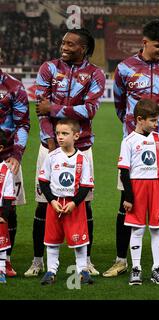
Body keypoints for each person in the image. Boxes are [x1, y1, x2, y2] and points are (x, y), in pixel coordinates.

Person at [104, 19, 159, 278]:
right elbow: (120, 104)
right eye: (158, 46)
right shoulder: (126, 68)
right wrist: (134, 131)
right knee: (125, 203)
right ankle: (121, 260)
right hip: (134, 147)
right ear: (144, 42)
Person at [25, 27, 105, 277]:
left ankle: (86, 261)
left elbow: (90, 110)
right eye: (63, 42)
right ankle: (38, 261)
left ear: (83, 48)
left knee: (84, 205)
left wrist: (55, 107)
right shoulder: (48, 69)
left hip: (82, 150)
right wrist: (52, 144)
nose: (64, 46)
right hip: (48, 148)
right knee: (43, 205)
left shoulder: (95, 74)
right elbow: (41, 110)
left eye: (71, 44)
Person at [118, 99, 159, 285]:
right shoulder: (129, 141)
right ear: (140, 119)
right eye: (153, 121)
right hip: (137, 187)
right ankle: (136, 268)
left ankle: (157, 268)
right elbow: (124, 171)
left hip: (157, 186)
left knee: (157, 228)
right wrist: (128, 196)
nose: (156, 124)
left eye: (157, 121)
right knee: (137, 228)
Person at [38, 119, 94, 285]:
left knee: (79, 240)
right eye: (57, 133)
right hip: (55, 204)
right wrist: (52, 201)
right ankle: (51, 271)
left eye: (64, 133)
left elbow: (85, 186)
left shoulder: (82, 159)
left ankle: (82, 270)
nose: (60, 137)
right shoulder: (52, 156)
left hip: (74, 205)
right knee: (52, 239)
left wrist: (74, 203)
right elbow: (43, 181)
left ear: (76, 136)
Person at [0, 67, 30, 277]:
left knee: (9, 209)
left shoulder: (14, 86)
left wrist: (17, 154)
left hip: (6, 157)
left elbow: (23, 123)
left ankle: (6, 260)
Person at [0, 129, 19, 284]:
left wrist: (3, 215)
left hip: (0, 213)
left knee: (1, 243)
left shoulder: (6, 170)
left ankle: (1, 269)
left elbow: (8, 196)